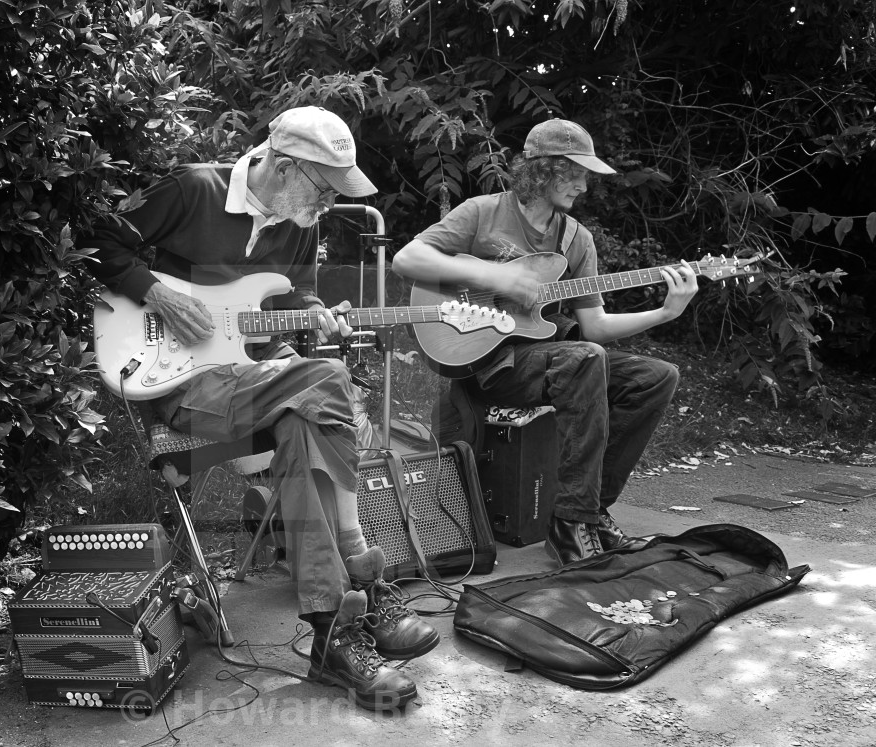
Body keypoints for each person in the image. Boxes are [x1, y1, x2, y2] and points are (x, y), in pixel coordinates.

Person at [79, 106, 437, 710]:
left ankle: (332, 635)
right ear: (284, 166)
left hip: (260, 381)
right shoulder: (193, 189)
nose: (327, 206)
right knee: (325, 381)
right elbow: (95, 240)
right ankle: (364, 576)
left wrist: (315, 308)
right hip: (177, 381)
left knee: (306, 417)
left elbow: (296, 291)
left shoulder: (301, 221)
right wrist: (157, 292)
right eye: (324, 189)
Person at [391, 118, 699, 566]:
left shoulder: (577, 240)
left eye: (585, 175)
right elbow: (407, 258)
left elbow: (593, 326)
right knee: (584, 359)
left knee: (656, 377)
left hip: (549, 358)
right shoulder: (482, 212)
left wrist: (666, 312)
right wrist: (497, 276)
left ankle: (589, 512)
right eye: (575, 173)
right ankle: (572, 526)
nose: (583, 186)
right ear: (544, 170)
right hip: (485, 361)